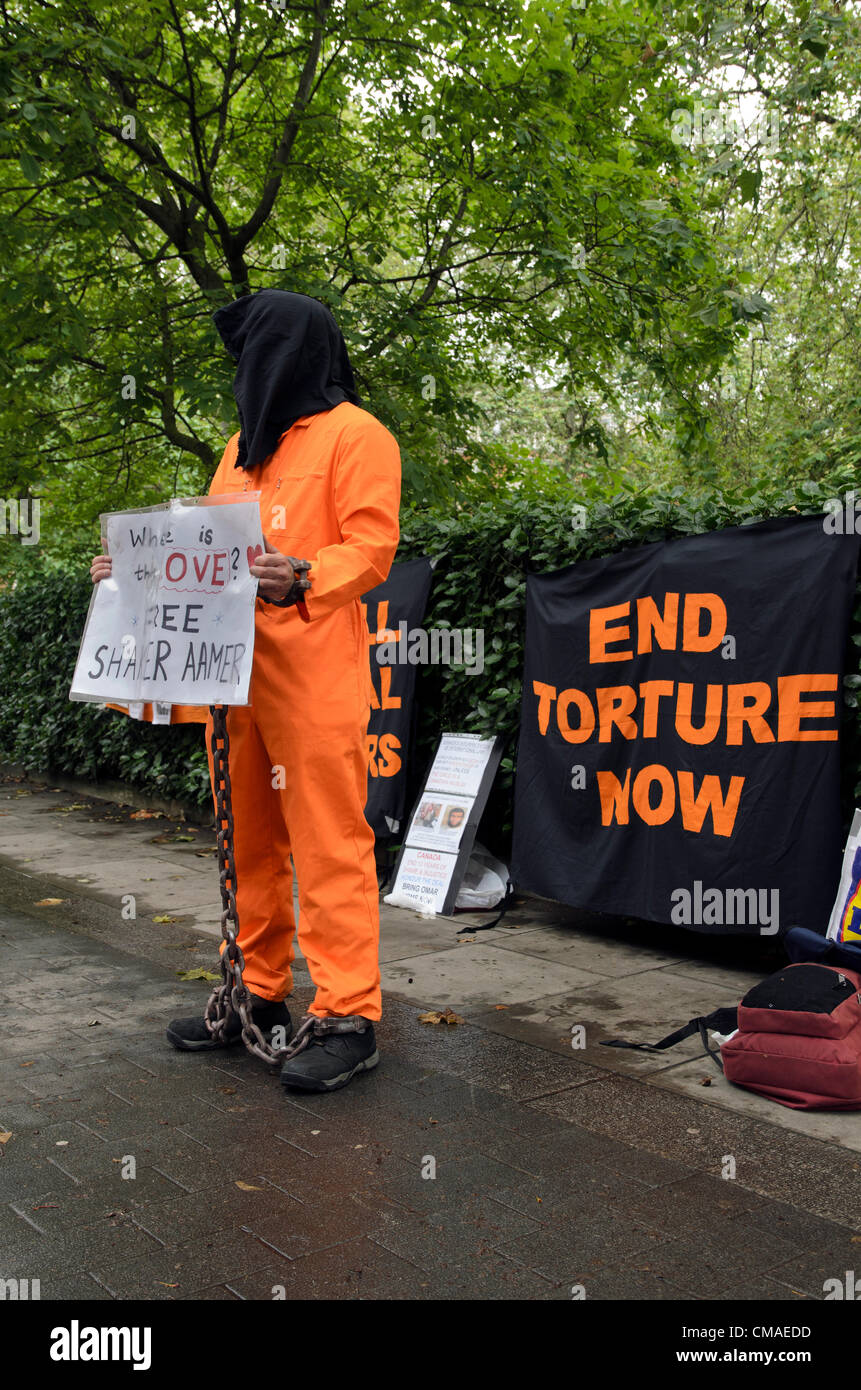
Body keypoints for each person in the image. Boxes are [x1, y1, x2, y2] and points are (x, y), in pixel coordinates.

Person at [90, 289, 401, 1092]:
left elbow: (371, 547)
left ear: (294, 351)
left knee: (330, 842)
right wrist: (132, 574)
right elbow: (200, 554)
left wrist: (303, 574)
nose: (245, 370)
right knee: (248, 845)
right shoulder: (237, 449)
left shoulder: (355, 435)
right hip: (229, 682)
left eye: (255, 350)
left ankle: (349, 1015)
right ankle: (257, 995)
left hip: (312, 677)